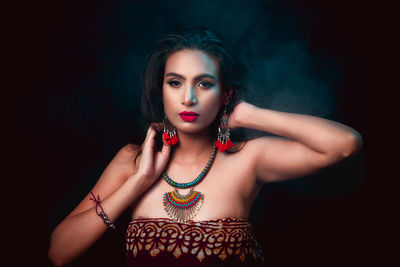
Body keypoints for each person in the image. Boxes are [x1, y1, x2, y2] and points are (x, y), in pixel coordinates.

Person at [48, 27, 363, 267]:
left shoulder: (248, 159)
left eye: (204, 83)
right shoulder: (132, 161)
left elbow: (345, 144)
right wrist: (138, 182)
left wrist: (249, 115)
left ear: (225, 94)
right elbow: (59, 252)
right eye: (175, 82)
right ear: (162, 91)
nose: (189, 98)